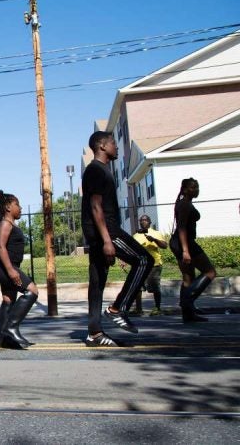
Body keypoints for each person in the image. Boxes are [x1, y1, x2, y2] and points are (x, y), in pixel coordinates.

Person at [81, 131, 153, 347]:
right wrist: (106, 241)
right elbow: (95, 206)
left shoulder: (101, 170)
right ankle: (118, 308)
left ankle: (94, 333)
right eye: (113, 143)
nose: (117, 146)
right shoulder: (95, 170)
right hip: (108, 231)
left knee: (97, 283)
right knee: (144, 260)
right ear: (101, 146)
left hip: (101, 233)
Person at [0, 189, 38, 349]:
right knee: (32, 291)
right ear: (8, 207)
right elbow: (1, 246)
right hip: (4, 267)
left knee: (8, 299)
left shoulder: (9, 224)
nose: (21, 207)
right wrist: (11, 270)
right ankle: (10, 328)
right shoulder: (5, 223)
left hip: (7, 266)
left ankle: (4, 338)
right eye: (17, 204)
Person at [170, 178, 216, 323]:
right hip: (184, 243)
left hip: (180, 242)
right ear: (184, 189)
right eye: (192, 187)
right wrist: (185, 250)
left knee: (188, 278)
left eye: (196, 187)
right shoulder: (184, 204)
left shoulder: (185, 202)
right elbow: (182, 227)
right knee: (210, 271)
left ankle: (188, 315)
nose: (195, 190)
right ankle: (187, 301)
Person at [130, 215, 167, 316]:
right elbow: (132, 250)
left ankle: (157, 308)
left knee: (155, 287)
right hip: (140, 265)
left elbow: (165, 246)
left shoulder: (156, 233)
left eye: (145, 220)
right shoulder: (136, 235)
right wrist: (125, 260)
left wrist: (154, 240)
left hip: (154, 264)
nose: (143, 222)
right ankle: (138, 309)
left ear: (150, 222)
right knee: (137, 287)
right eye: (141, 220)